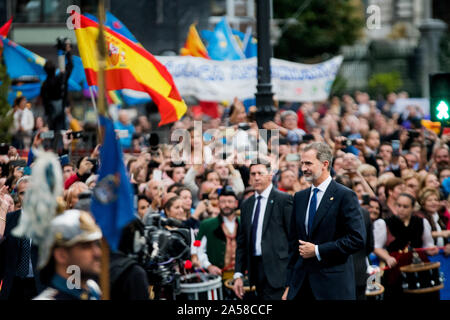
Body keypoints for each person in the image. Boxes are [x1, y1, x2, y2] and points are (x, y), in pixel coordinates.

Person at [283, 142, 365, 300]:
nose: (303, 168)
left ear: (324, 164)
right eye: (302, 163)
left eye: (308, 163)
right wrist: (289, 285)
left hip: (333, 286)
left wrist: (318, 250)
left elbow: (357, 239)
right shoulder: (300, 198)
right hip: (301, 286)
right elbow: (294, 245)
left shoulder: (344, 196)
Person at [233, 161, 293, 300]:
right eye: (253, 174)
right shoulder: (247, 204)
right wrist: (238, 274)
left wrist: (292, 280)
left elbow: (293, 239)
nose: (257, 177)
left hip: (280, 272)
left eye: (260, 173)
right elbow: (242, 242)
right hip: (256, 272)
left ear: (270, 175)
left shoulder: (284, 200)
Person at [373, 193, 439, 299]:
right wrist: (388, 258)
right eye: (398, 205)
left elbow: (428, 245)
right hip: (396, 268)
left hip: (419, 267)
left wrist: (432, 250)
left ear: (412, 208)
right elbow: (376, 247)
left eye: (405, 206)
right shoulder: (385, 223)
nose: (401, 209)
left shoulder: (421, 222)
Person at [34, 210, 102, 300]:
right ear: (61, 255)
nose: (97, 253)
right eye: (86, 246)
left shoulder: (92, 288)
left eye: (96, 244)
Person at [0, 176, 43, 300]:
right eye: (23, 193)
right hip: (12, 285)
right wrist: (2, 210)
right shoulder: (8, 219)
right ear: (17, 196)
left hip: (38, 284)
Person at [196, 186, 240, 292]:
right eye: (223, 202)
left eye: (230, 201)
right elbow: (198, 249)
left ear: (236, 204)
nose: (227, 205)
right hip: (218, 277)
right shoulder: (207, 225)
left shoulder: (246, 223)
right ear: (218, 203)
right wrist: (209, 266)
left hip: (242, 277)